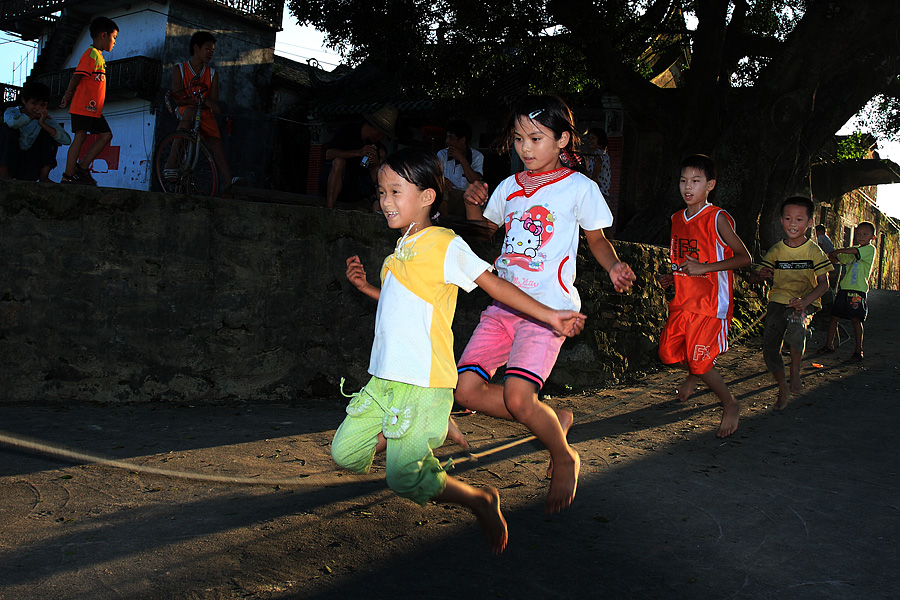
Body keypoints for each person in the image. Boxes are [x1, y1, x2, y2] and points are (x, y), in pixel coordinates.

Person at [336, 147, 586, 554]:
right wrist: (368, 289)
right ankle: (425, 431)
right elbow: (403, 306)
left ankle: (478, 498)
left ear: (427, 196)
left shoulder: (444, 244)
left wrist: (550, 315)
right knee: (346, 453)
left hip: (421, 382)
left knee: (403, 478)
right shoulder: (396, 253)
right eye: (381, 192)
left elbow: (496, 285)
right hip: (384, 383)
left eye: (395, 191)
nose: (385, 201)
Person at [455, 95, 636, 514]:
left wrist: (612, 266)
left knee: (518, 399)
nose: (525, 148)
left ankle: (562, 454)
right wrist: (471, 201)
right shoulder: (508, 187)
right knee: (465, 390)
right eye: (518, 138)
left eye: (536, 138)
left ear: (562, 140)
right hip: (503, 305)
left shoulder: (579, 187)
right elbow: (484, 232)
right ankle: (551, 418)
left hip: (548, 310)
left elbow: (597, 240)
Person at [657, 154, 751, 438]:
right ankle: (695, 372)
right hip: (683, 301)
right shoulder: (676, 218)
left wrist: (705, 269)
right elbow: (683, 259)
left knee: (698, 358)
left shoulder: (717, 218)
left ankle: (730, 402)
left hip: (711, 305)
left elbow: (745, 258)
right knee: (667, 353)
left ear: (710, 185)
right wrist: (673, 276)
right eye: (683, 181)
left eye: (695, 181)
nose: (688, 187)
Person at [748, 197, 832, 410]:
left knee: (796, 330)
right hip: (778, 301)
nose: (793, 224)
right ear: (781, 220)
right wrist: (762, 275)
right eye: (787, 218)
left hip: (804, 302)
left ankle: (795, 369)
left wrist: (805, 302)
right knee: (769, 348)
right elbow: (756, 277)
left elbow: (824, 284)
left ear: (810, 222)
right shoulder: (776, 250)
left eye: (799, 219)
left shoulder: (814, 251)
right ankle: (781, 385)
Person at [169, 31, 242, 189]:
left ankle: (229, 182)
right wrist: (201, 100)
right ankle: (171, 162)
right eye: (208, 48)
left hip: (203, 112)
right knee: (189, 112)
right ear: (196, 48)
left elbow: (213, 101)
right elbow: (178, 97)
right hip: (186, 109)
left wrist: (207, 103)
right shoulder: (180, 69)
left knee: (216, 143)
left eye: (213, 50)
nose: (211, 53)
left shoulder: (213, 74)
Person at [59, 16, 117, 185]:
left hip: (94, 109)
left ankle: (82, 167)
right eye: (114, 38)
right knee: (80, 136)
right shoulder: (90, 54)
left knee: (106, 135)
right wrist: (67, 95)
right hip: (83, 106)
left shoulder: (99, 56)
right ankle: (68, 176)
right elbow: (77, 76)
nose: (114, 42)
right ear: (103, 35)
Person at [817, 221, 877, 362]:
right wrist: (830, 255)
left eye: (865, 234)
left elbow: (850, 252)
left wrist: (837, 251)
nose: (861, 236)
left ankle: (858, 351)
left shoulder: (869, 249)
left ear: (872, 237)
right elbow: (836, 259)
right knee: (834, 317)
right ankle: (829, 345)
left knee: (856, 320)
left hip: (858, 290)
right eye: (859, 234)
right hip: (844, 289)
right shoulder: (852, 250)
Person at [320, 105, 397, 209]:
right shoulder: (348, 130)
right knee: (339, 162)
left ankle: (382, 207)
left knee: (380, 170)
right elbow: (329, 154)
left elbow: (376, 170)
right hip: (338, 180)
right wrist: (358, 153)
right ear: (376, 130)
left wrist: (374, 162)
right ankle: (329, 208)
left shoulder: (375, 144)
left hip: (357, 185)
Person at [1, 81, 71, 182]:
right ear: (24, 101)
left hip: (30, 165)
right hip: (13, 161)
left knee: (50, 132)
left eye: (42, 105)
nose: (38, 108)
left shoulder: (46, 119)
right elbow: (12, 123)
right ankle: (3, 172)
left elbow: (66, 140)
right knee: (6, 128)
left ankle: (44, 176)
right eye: (34, 103)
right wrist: (32, 117)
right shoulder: (12, 112)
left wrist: (43, 123)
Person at [437, 119, 483, 217]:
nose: (447, 142)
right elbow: (434, 175)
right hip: (447, 197)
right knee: (439, 187)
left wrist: (461, 158)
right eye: (447, 138)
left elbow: (474, 180)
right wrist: (442, 180)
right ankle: (445, 222)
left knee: (480, 187)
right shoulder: (442, 154)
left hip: (465, 199)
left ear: (462, 140)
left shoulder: (477, 156)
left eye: (451, 138)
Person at [585, 127, 611, 198]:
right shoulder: (602, 154)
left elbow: (598, 164)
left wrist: (593, 177)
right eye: (589, 138)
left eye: (593, 138)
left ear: (600, 140)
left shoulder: (598, 154)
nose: (590, 141)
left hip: (599, 192)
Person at [815, 224, 839, 294]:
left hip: (829, 256)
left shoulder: (821, 237)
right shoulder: (826, 237)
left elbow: (820, 247)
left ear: (820, 231)